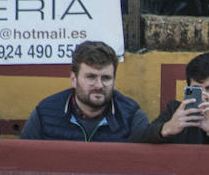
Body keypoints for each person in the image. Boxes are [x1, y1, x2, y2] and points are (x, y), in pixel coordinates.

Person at [20, 40, 149, 141]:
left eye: (106, 78)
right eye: (91, 77)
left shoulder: (132, 118)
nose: (99, 85)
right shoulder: (45, 114)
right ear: (73, 79)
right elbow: (23, 162)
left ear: (114, 80)